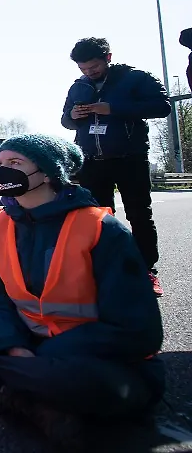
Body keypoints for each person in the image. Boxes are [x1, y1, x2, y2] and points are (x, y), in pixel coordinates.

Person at [0, 134, 165, 450]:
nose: (3, 171)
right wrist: (12, 345)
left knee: (101, 386)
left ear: (48, 173)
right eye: (1, 164)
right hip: (25, 340)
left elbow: (138, 331)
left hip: (90, 356)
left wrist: (42, 354)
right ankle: (12, 394)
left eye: (15, 163)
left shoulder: (101, 228)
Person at [60, 37, 170, 296]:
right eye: (83, 69)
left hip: (129, 157)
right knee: (97, 219)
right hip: (91, 161)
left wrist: (112, 108)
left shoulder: (136, 78)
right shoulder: (78, 87)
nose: (89, 73)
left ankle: (146, 271)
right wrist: (72, 117)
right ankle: (104, 271)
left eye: (94, 67)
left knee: (139, 214)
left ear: (108, 57)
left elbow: (162, 106)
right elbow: (65, 120)